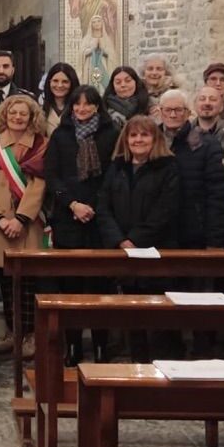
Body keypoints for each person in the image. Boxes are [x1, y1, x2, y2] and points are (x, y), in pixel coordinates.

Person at [44, 85, 120, 364]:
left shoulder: (111, 134)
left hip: (101, 218)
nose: (82, 109)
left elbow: (114, 175)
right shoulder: (61, 135)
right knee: (71, 285)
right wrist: (72, 204)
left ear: (98, 106)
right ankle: (73, 344)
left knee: (100, 286)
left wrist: (94, 206)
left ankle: (100, 344)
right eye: (77, 104)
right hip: (68, 218)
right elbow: (52, 175)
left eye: (88, 104)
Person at [96, 115, 182, 360]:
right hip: (123, 252)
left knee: (158, 316)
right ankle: (138, 363)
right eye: (133, 135)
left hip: (157, 251)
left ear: (155, 139)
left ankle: (161, 364)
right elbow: (103, 206)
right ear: (126, 139)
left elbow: (166, 210)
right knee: (132, 313)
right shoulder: (117, 167)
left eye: (145, 135)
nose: (138, 140)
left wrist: (134, 240)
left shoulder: (168, 167)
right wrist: (119, 240)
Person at [0, 94, 49, 357]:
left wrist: (20, 219)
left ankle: (30, 335)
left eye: (23, 113)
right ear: (4, 115)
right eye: (13, 113)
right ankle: (12, 331)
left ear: (32, 117)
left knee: (28, 282)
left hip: (28, 224)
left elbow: (39, 185)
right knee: (5, 282)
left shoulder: (41, 144)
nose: (18, 117)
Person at [159, 90, 224, 250]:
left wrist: (215, 240)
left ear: (188, 113)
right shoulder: (150, 140)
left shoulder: (206, 144)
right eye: (168, 110)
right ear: (160, 112)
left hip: (194, 233)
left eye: (178, 110)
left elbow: (219, 196)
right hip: (157, 233)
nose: (172, 115)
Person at [192, 86, 224, 164]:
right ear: (194, 105)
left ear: (221, 106)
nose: (207, 103)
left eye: (213, 99)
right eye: (202, 99)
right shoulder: (184, 133)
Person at [39, 63, 80, 135]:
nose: (60, 85)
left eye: (65, 82)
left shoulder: (80, 109)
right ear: (49, 82)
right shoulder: (40, 109)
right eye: (55, 81)